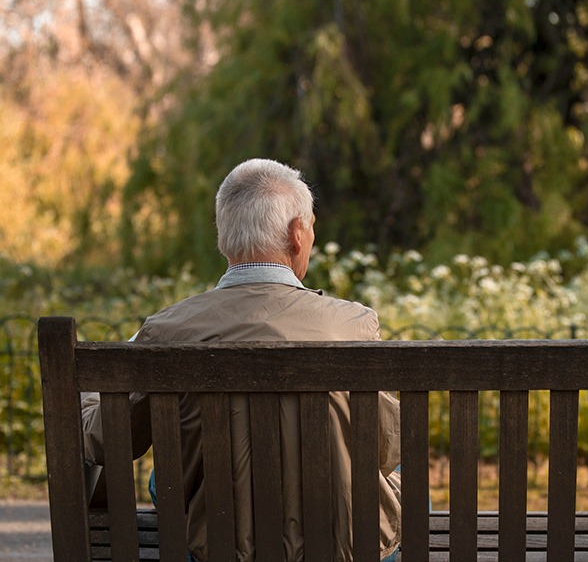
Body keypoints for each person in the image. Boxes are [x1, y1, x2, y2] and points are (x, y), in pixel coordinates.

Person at [79, 158, 402, 562]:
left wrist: (93, 389)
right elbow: (386, 450)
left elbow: (108, 438)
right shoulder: (354, 324)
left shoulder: (169, 331)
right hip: (349, 549)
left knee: (164, 477)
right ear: (297, 235)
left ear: (223, 238)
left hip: (218, 546)